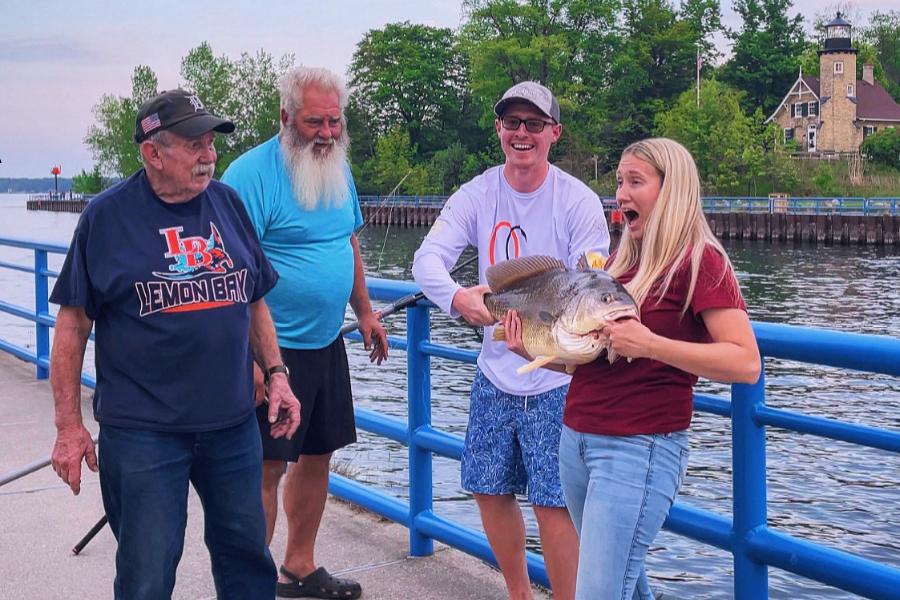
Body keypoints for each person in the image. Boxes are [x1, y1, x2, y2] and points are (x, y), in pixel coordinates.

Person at [49, 89, 301, 600]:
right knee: (147, 575)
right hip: (144, 435)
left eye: (210, 142)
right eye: (194, 144)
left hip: (231, 427)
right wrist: (69, 426)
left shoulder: (228, 204)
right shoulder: (106, 218)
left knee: (248, 561)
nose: (209, 155)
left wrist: (277, 375)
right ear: (153, 153)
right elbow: (73, 326)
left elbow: (253, 300)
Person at [504, 137, 761, 599]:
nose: (620, 194)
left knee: (599, 592)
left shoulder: (701, 262)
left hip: (637, 451)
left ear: (672, 189)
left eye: (635, 182)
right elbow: (596, 365)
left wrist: (651, 344)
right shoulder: (621, 267)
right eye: (619, 181)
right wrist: (535, 352)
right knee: (624, 587)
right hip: (578, 442)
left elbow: (745, 362)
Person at [412, 81, 610, 600]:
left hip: (557, 378)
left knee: (554, 502)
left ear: (554, 133)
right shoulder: (478, 192)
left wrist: (558, 341)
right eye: (512, 123)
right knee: (488, 488)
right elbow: (427, 260)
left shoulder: (579, 201)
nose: (522, 134)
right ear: (499, 129)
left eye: (534, 124)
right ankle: (519, 594)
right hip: (494, 371)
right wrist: (460, 299)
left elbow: (595, 281)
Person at [221, 66, 388, 600]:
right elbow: (227, 272)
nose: (327, 133)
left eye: (335, 121)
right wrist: (247, 357)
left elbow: (350, 242)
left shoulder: (338, 168)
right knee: (267, 466)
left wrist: (364, 312)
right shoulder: (250, 175)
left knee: (318, 455)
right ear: (286, 117)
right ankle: (253, 582)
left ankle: (299, 565)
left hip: (325, 341)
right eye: (315, 121)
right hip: (272, 348)